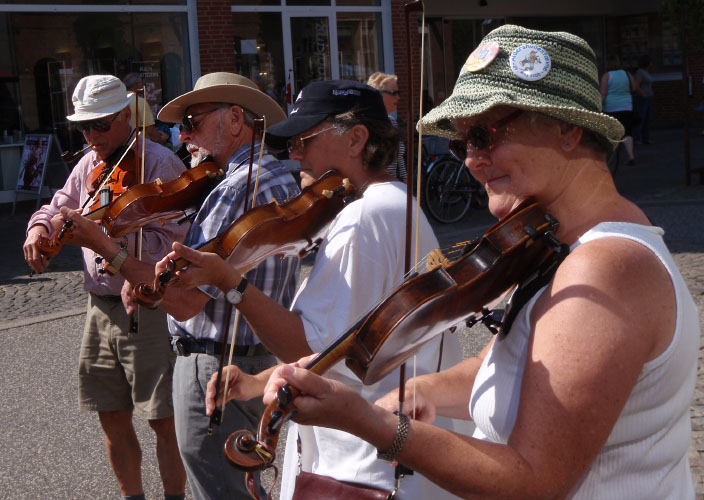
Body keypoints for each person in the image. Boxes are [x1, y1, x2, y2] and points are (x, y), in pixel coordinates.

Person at [258, 25, 700, 499]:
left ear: (568, 129)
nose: (470, 160)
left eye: (486, 135)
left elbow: (533, 481)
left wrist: (368, 422)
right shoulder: (556, 248)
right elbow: (509, 368)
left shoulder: (605, 269)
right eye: (462, 143)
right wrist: (422, 391)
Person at [160, 80, 465, 500]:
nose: (294, 153)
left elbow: (311, 348)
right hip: (384, 455)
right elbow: (348, 346)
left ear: (357, 138)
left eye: (305, 140)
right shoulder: (397, 203)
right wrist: (254, 383)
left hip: (362, 467)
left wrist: (229, 282)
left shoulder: (365, 217)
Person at [53, 71, 300, 499]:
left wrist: (107, 249)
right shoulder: (274, 175)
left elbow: (186, 302)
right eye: (179, 126)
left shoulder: (233, 190)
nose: (182, 135)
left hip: (215, 363)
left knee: (220, 489)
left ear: (236, 119)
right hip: (249, 355)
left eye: (192, 122)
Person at [23, 74, 188, 500]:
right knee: (110, 415)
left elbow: (180, 245)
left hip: (148, 306)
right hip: (99, 308)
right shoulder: (90, 163)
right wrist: (39, 228)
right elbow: (59, 204)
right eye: (84, 127)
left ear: (128, 117)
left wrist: (109, 242)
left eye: (101, 125)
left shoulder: (160, 164)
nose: (92, 135)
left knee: (162, 419)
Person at [367, 72, 407, 182]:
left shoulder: (392, 122)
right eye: (394, 93)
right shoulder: (368, 124)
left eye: (398, 93)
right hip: (376, 186)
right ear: (378, 94)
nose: (398, 97)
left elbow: (400, 159)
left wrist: (405, 180)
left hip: (394, 184)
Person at [600, 55, 638, 165]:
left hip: (611, 108)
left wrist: (599, 106)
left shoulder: (607, 76)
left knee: (611, 132)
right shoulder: (627, 74)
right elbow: (634, 88)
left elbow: (603, 93)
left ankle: (611, 155)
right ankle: (631, 156)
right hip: (627, 106)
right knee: (627, 132)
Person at [123, 72, 169, 145]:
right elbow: (151, 132)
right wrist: (163, 143)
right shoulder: (140, 102)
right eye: (142, 83)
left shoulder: (118, 101)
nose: (144, 86)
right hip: (139, 147)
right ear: (138, 85)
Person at [633, 55, 654, 145]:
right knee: (642, 118)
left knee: (647, 119)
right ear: (647, 63)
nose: (652, 64)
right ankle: (637, 138)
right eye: (650, 62)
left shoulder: (646, 72)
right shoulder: (640, 72)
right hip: (643, 98)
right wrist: (643, 94)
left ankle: (646, 138)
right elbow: (636, 86)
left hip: (648, 97)